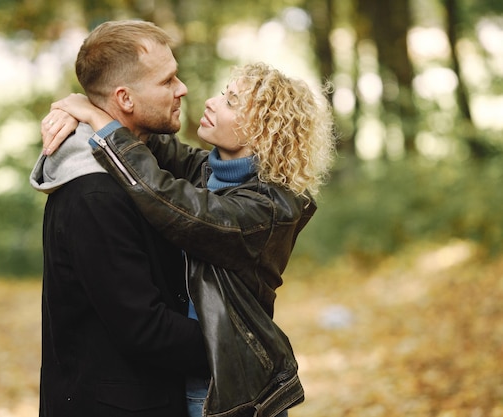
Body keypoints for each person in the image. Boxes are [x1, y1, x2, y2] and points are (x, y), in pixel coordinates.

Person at [42, 62, 336, 417]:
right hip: (197, 374)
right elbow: (156, 146)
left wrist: (96, 118)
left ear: (262, 131)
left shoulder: (266, 209)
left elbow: (173, 203)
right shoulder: (213, 172)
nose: (211, 102)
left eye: (230, 102)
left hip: (225, 390)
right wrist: (97, 104)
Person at [29, 20, 210, 417]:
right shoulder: (94, 194)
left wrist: (93, 113)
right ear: (125, 98)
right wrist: (241, 345)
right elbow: (145, 330)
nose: (182, 89)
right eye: (167, 81)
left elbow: (210, 173)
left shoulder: (141, 160)